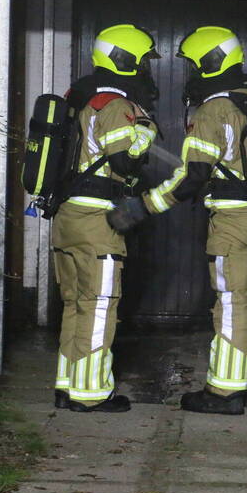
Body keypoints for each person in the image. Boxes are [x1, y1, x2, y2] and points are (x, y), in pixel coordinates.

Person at [109, 26, 247, 414]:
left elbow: (193, 176)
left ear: (210, 63)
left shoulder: (213, 110)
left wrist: (143, 206)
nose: (191, 75)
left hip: (234, 224)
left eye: (194, 66)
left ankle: (226, 392)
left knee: (231, 304)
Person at [52, 24, 160, 412]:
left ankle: (67, 385)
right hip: (96, 220)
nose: (146, 70)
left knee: (75, 305)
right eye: (143, 61)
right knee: (99, 306)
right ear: (126, 60)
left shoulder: (80, 97)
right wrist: (145, 132)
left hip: (67, 215)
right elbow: (123, 160)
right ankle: (91, 393)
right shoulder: (113, 105)